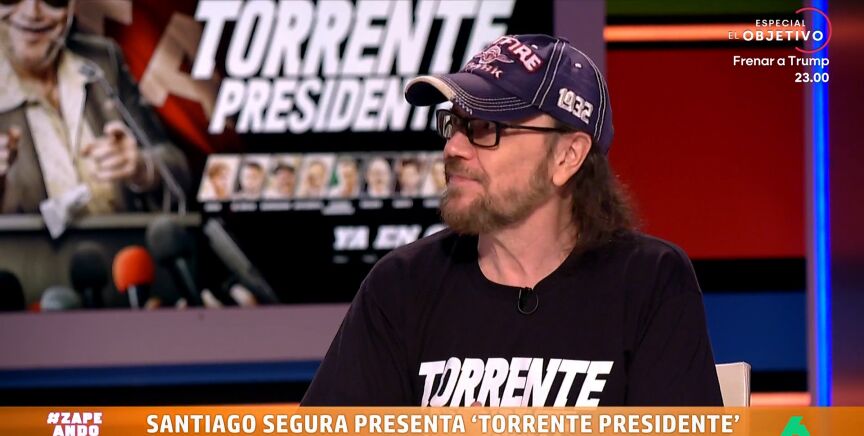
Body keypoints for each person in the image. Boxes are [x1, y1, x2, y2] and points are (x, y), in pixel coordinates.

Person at [302, 34, 722, 407]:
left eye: (485, 127)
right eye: (454, 124)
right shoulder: (400, 286)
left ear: (567, 156)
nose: (453, 148)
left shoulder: (649, 282)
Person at [0, 0, 188, 214]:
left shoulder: (102, 60)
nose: (32, 13)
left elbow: (177, 168)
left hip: (122, 234)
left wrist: (141, 166)